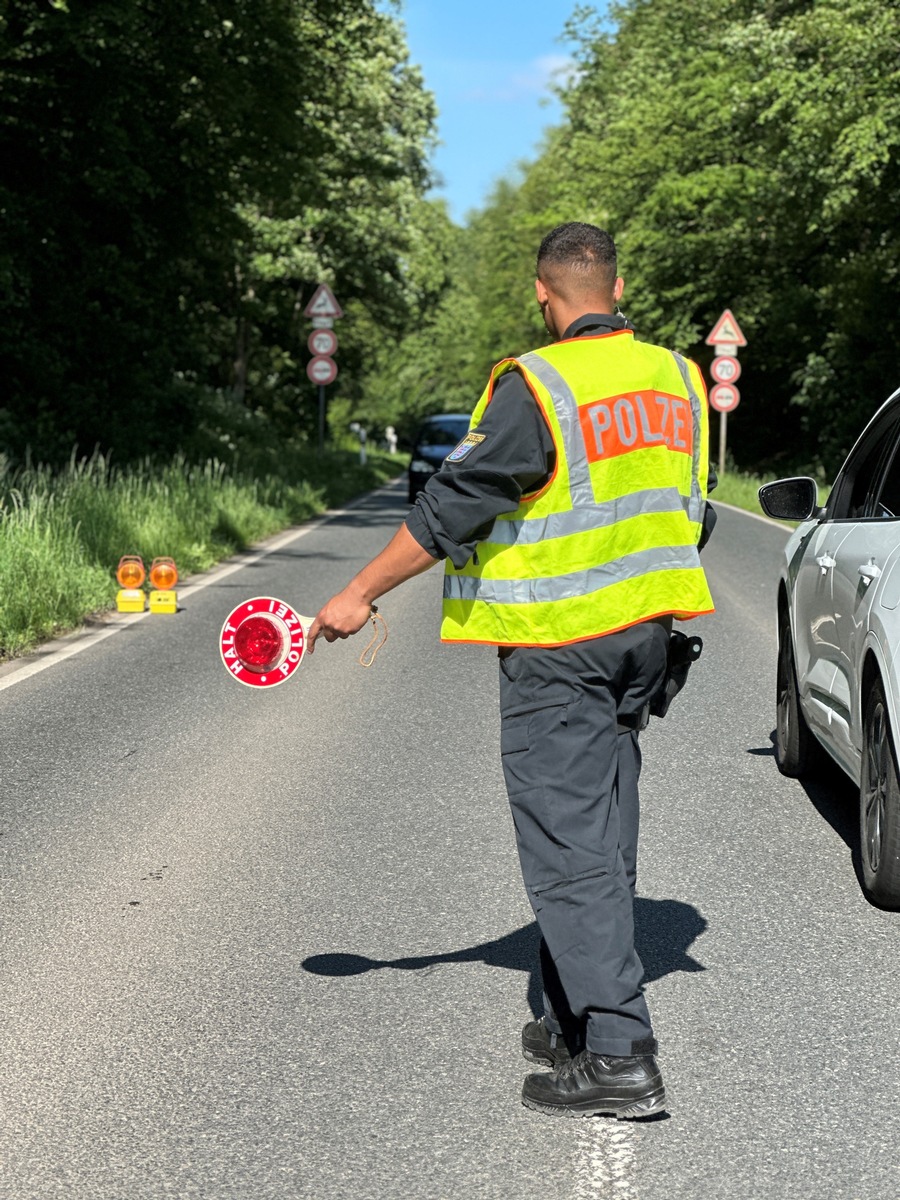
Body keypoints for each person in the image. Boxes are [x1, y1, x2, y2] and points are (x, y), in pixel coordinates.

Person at [308, 222, 715, 1119]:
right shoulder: (679, 377)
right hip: (645, 637)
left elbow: (456, 501)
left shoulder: (539, 384)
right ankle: (574, 1011)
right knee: (603, 828)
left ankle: (618, 1048)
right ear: (616, 284)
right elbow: (690, 505)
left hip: (560, 642)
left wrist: (360, 593)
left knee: (567, 845)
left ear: (543, 292)